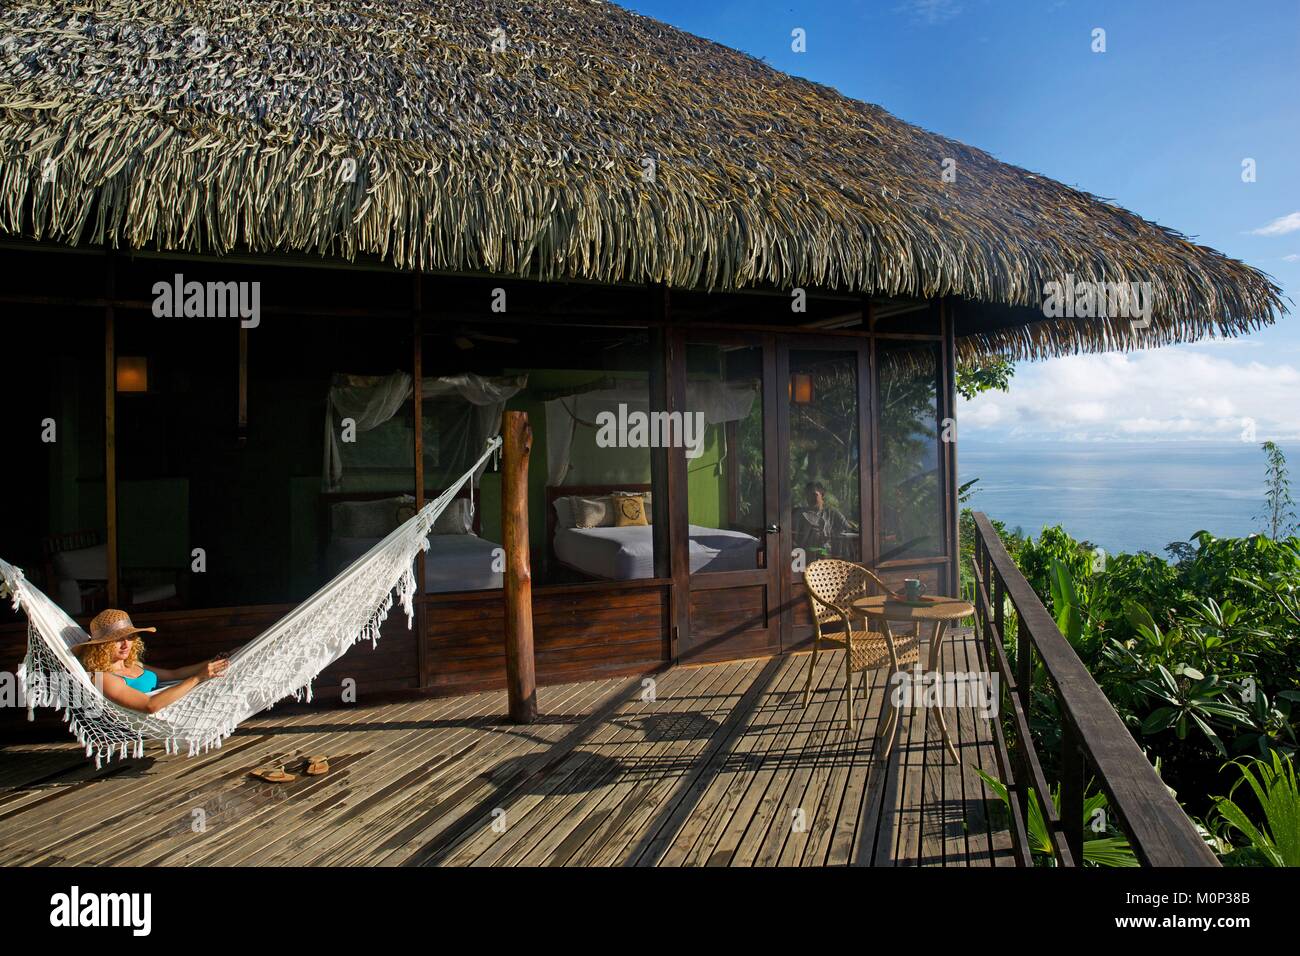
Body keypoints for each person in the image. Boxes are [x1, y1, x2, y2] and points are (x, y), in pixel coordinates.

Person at [74, 608, 229, 715]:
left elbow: (174, 674)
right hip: (162, 716)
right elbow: (150, 705)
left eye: (129, 637)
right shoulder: (103, 678)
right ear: (102, 645)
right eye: (117, 640)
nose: (126, 644)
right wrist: (197, 678)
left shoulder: (134, 665)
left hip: (181, 707)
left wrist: (213, 662)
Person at [795, 481, 859, 560]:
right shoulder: (800, 514)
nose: (810, 498)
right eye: (808, 495)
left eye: (814, 495)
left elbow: (848, 528)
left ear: (822, 495)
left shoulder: (832, 513)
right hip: (805, 556)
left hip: (828, 555)